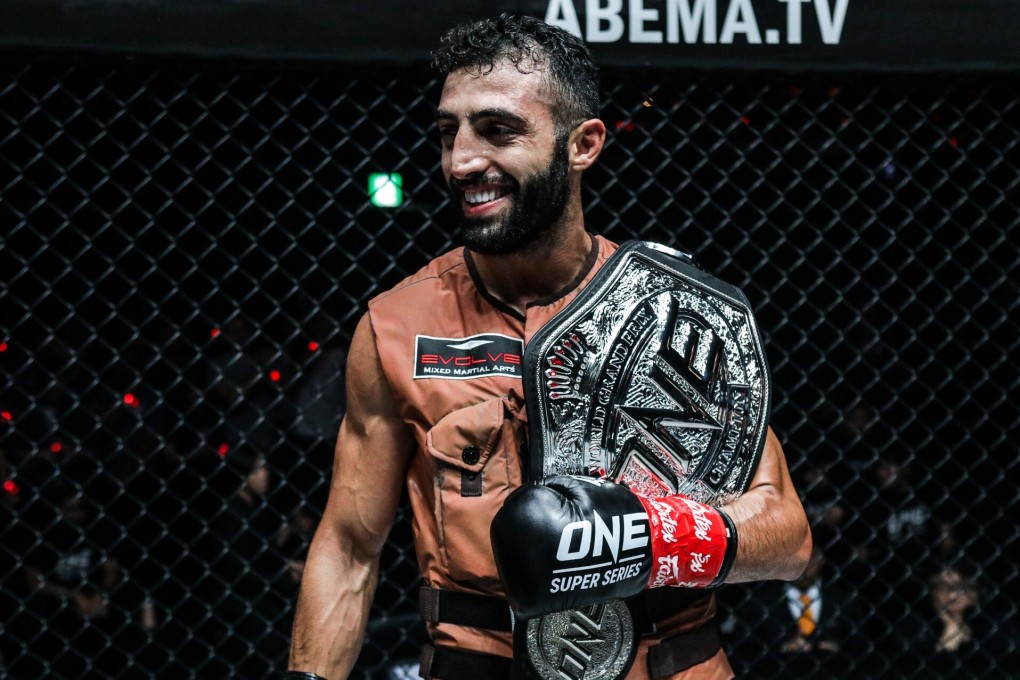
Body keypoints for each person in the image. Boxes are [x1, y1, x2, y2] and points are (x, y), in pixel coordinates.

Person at [287, 14, 811, 680]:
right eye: (449, 132)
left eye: (498, 130)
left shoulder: (677, 314)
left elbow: (788, 536)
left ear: (583, 144)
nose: (462, 161)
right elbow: (350, 548)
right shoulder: (397, 326)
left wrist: (641, 538)